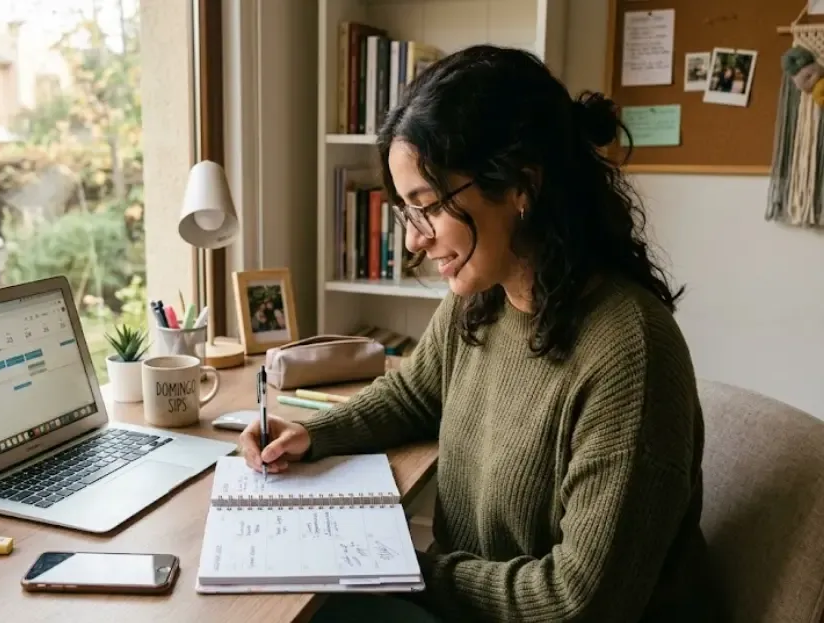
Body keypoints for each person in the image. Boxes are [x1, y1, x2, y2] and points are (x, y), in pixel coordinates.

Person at [238, 45, 718, 622]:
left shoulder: (629, 353)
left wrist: (398, 568)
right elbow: (416, 393)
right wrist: (313, 435)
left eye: (428, 207)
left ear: (521, 186)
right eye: (406, 213)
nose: (414, 240)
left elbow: (578, 602)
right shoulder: (483, 298)